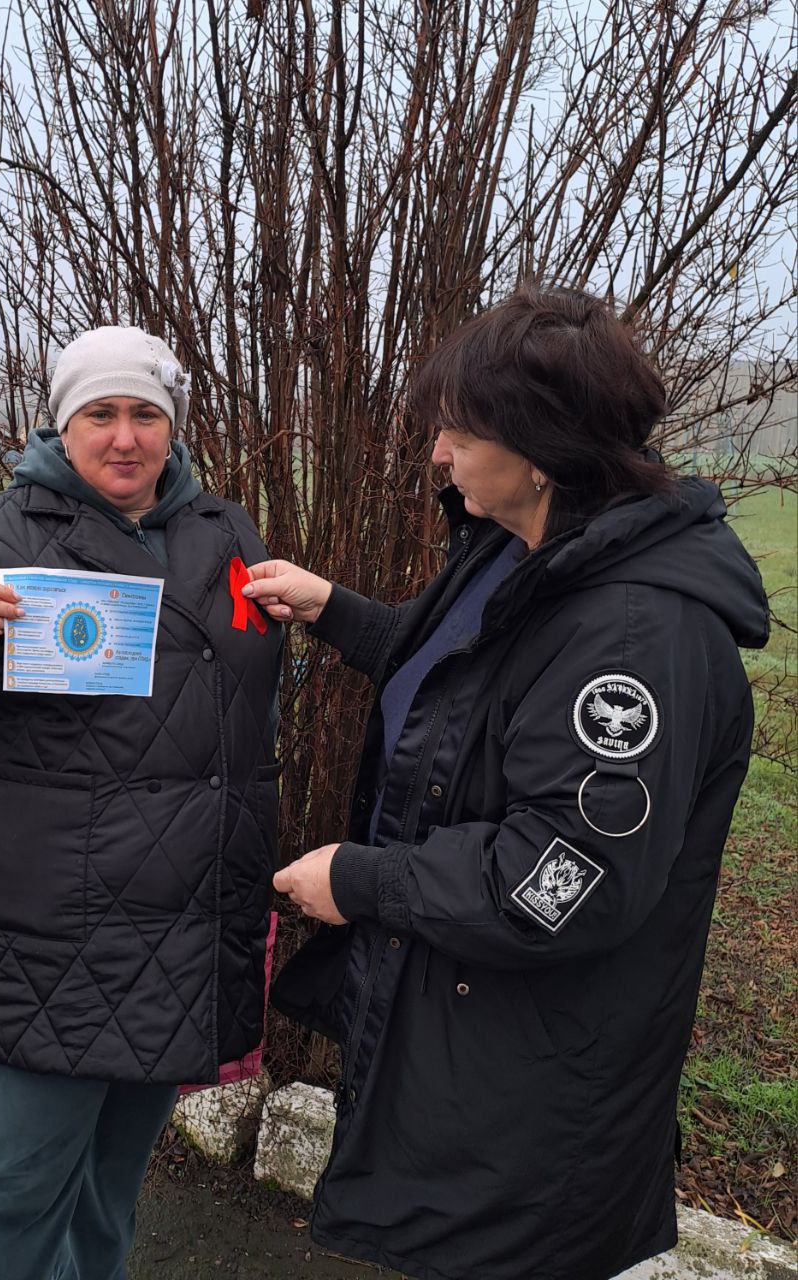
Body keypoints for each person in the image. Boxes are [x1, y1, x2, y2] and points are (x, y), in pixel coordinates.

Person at [242, 288, 768, 1280]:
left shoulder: (638, 637)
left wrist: (362, 880)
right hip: (467, 1041)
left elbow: (564, 875)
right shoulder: (520, 552)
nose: (438, 452)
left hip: (537, 1085)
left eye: (458, 428)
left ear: (539, 448)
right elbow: (470, 686)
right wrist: (338, 610)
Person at [0, 327, 283, 1280]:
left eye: (147, 414)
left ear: (173, 426)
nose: (126, 437)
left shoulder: (225, 533)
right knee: (12, 1194)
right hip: (46, 933)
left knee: (107, 1193)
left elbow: (239, 709)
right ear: (64, 421)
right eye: (102, 414)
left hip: (177, 924)